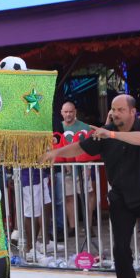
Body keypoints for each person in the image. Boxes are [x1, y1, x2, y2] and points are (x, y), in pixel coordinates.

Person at [40, 94, 140, 278]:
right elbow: (80, 147)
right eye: (113, 109)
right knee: (121, 248)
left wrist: (111, 133)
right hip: (122, 197)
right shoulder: (104, 133)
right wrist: (57, 152)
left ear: (133, 111)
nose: (114, 113)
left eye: (120, 109)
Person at [56, 101, 94, 238]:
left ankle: (88, 226)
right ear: (61, 113)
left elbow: (91, 147)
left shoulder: (84, 127)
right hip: (66, 169)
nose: (68, 114)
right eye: (65, 112)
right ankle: (73, 227)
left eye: (70, 111)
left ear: (75, 112)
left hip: (83, 166)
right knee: (69, 197)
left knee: (87, 196)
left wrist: (88, 165)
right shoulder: (58, 128)